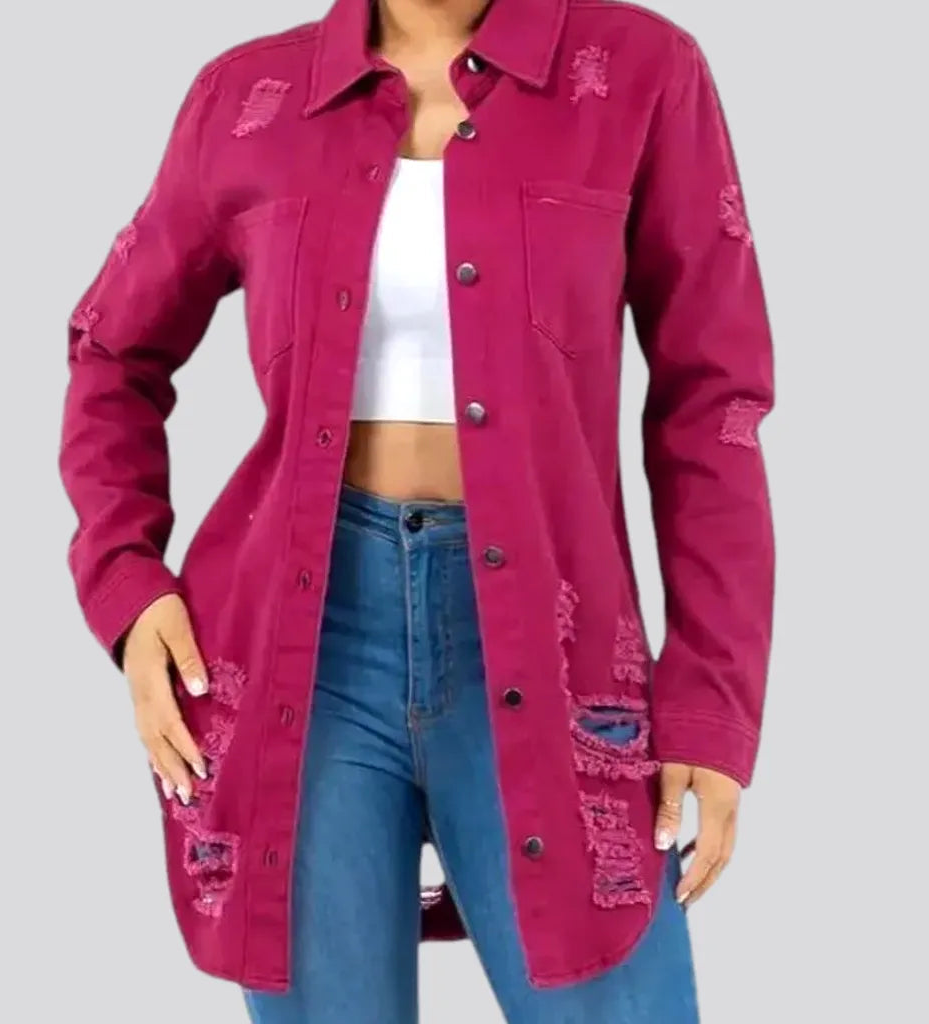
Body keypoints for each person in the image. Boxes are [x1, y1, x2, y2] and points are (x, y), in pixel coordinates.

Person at [59, 0, 775, 1020]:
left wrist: (712, 697)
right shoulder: (249, 97)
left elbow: (715, 403)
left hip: (550, 638)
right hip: (304, 646)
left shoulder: (641, 73)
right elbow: (111, 353)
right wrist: (128, 583)